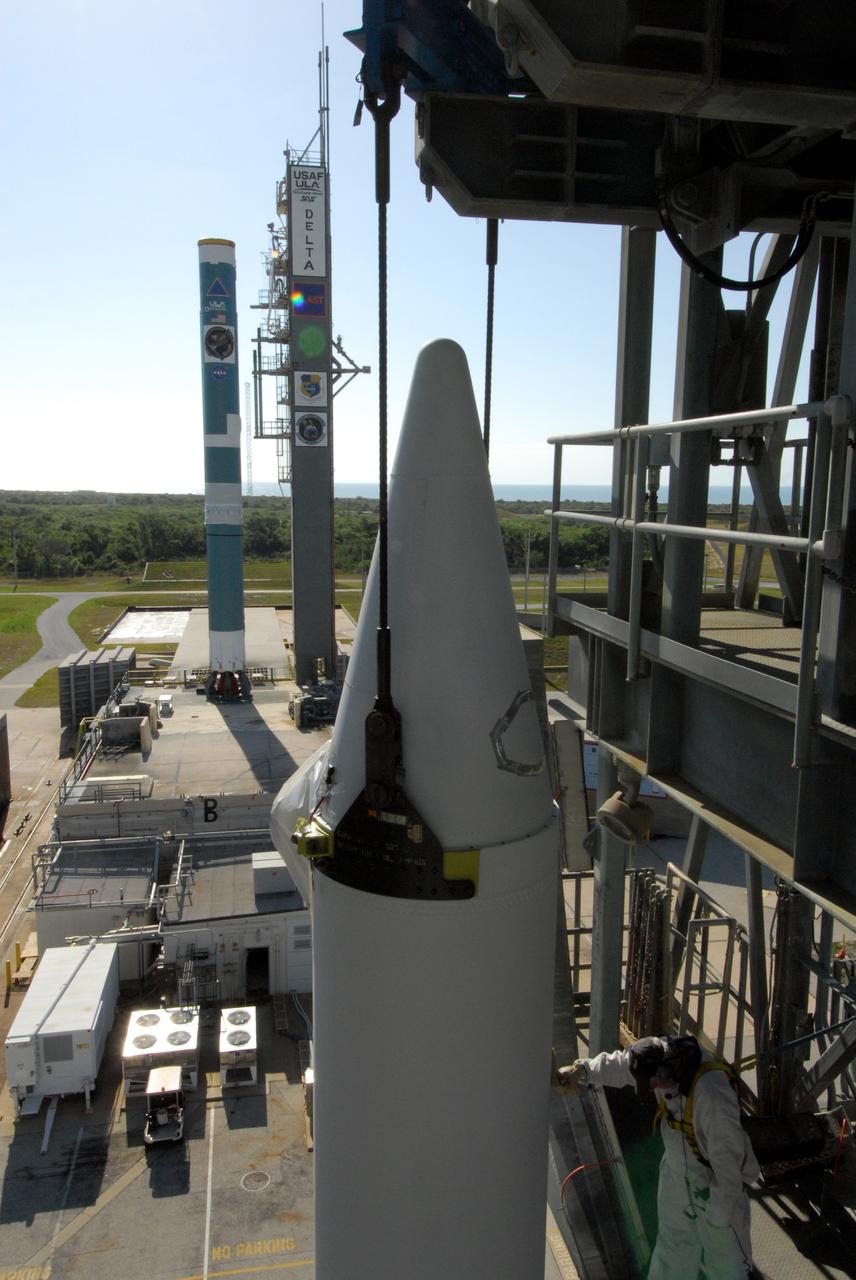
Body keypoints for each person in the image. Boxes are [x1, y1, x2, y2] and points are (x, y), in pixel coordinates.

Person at [558, 1034, 759, 1280]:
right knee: (671, 1253)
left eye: (653, 1083)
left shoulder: (712, 1096)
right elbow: (621, 1065)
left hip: (716, 1192)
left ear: (666, 1071)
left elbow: (729, 1168)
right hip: (677, 1176)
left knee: (727, 1266)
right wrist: (583, 1070)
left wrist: (717, 1216)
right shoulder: (658, 1056)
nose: (653, 1088)